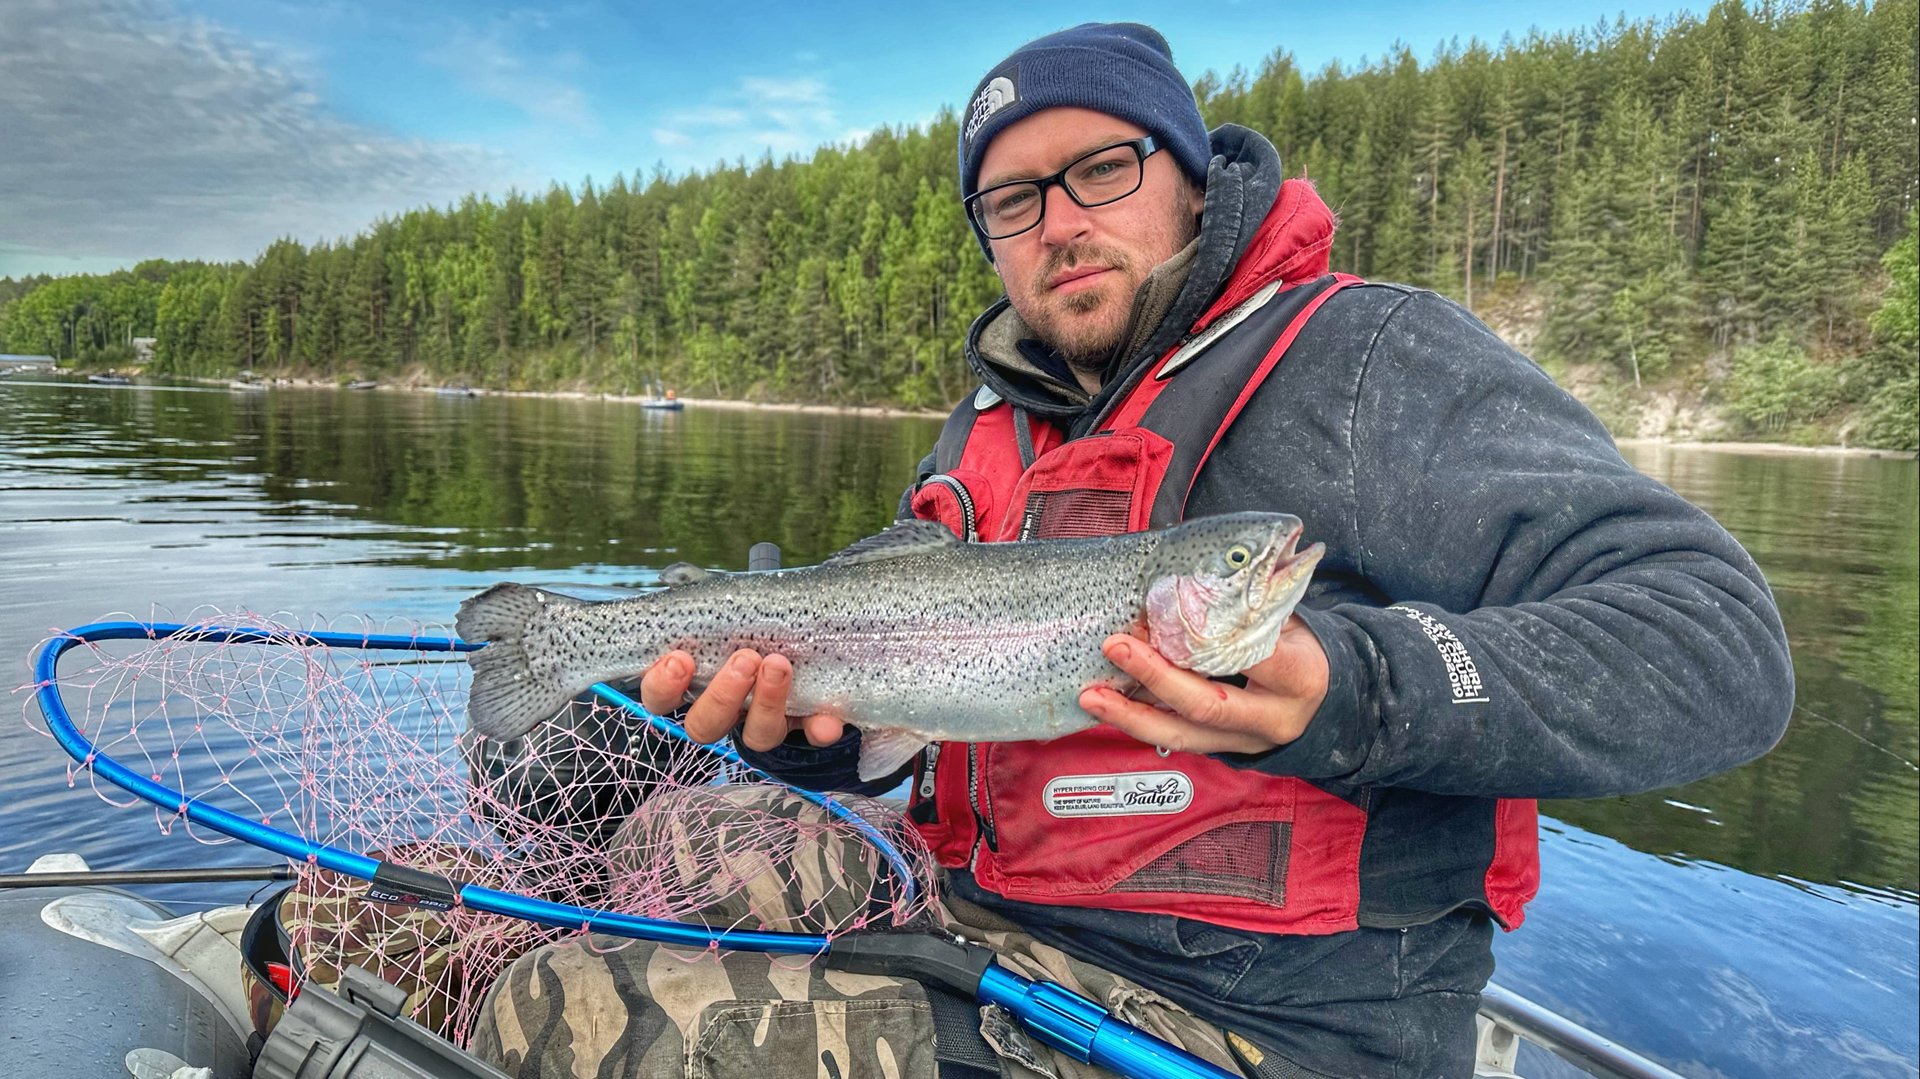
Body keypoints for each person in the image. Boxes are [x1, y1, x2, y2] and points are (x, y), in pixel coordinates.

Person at [473, 22, 1793, 1079]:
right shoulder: (985, 429)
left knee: (554, 1005)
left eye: (1103, 170)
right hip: (994, 911)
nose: (1060, 220)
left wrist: (1352, 686)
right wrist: (794, 732)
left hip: (1264, 1020)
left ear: (1188, 172)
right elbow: (901, 722)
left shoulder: (1374, 363)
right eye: (1012, 200)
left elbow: (1717, 644)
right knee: (650, 846)